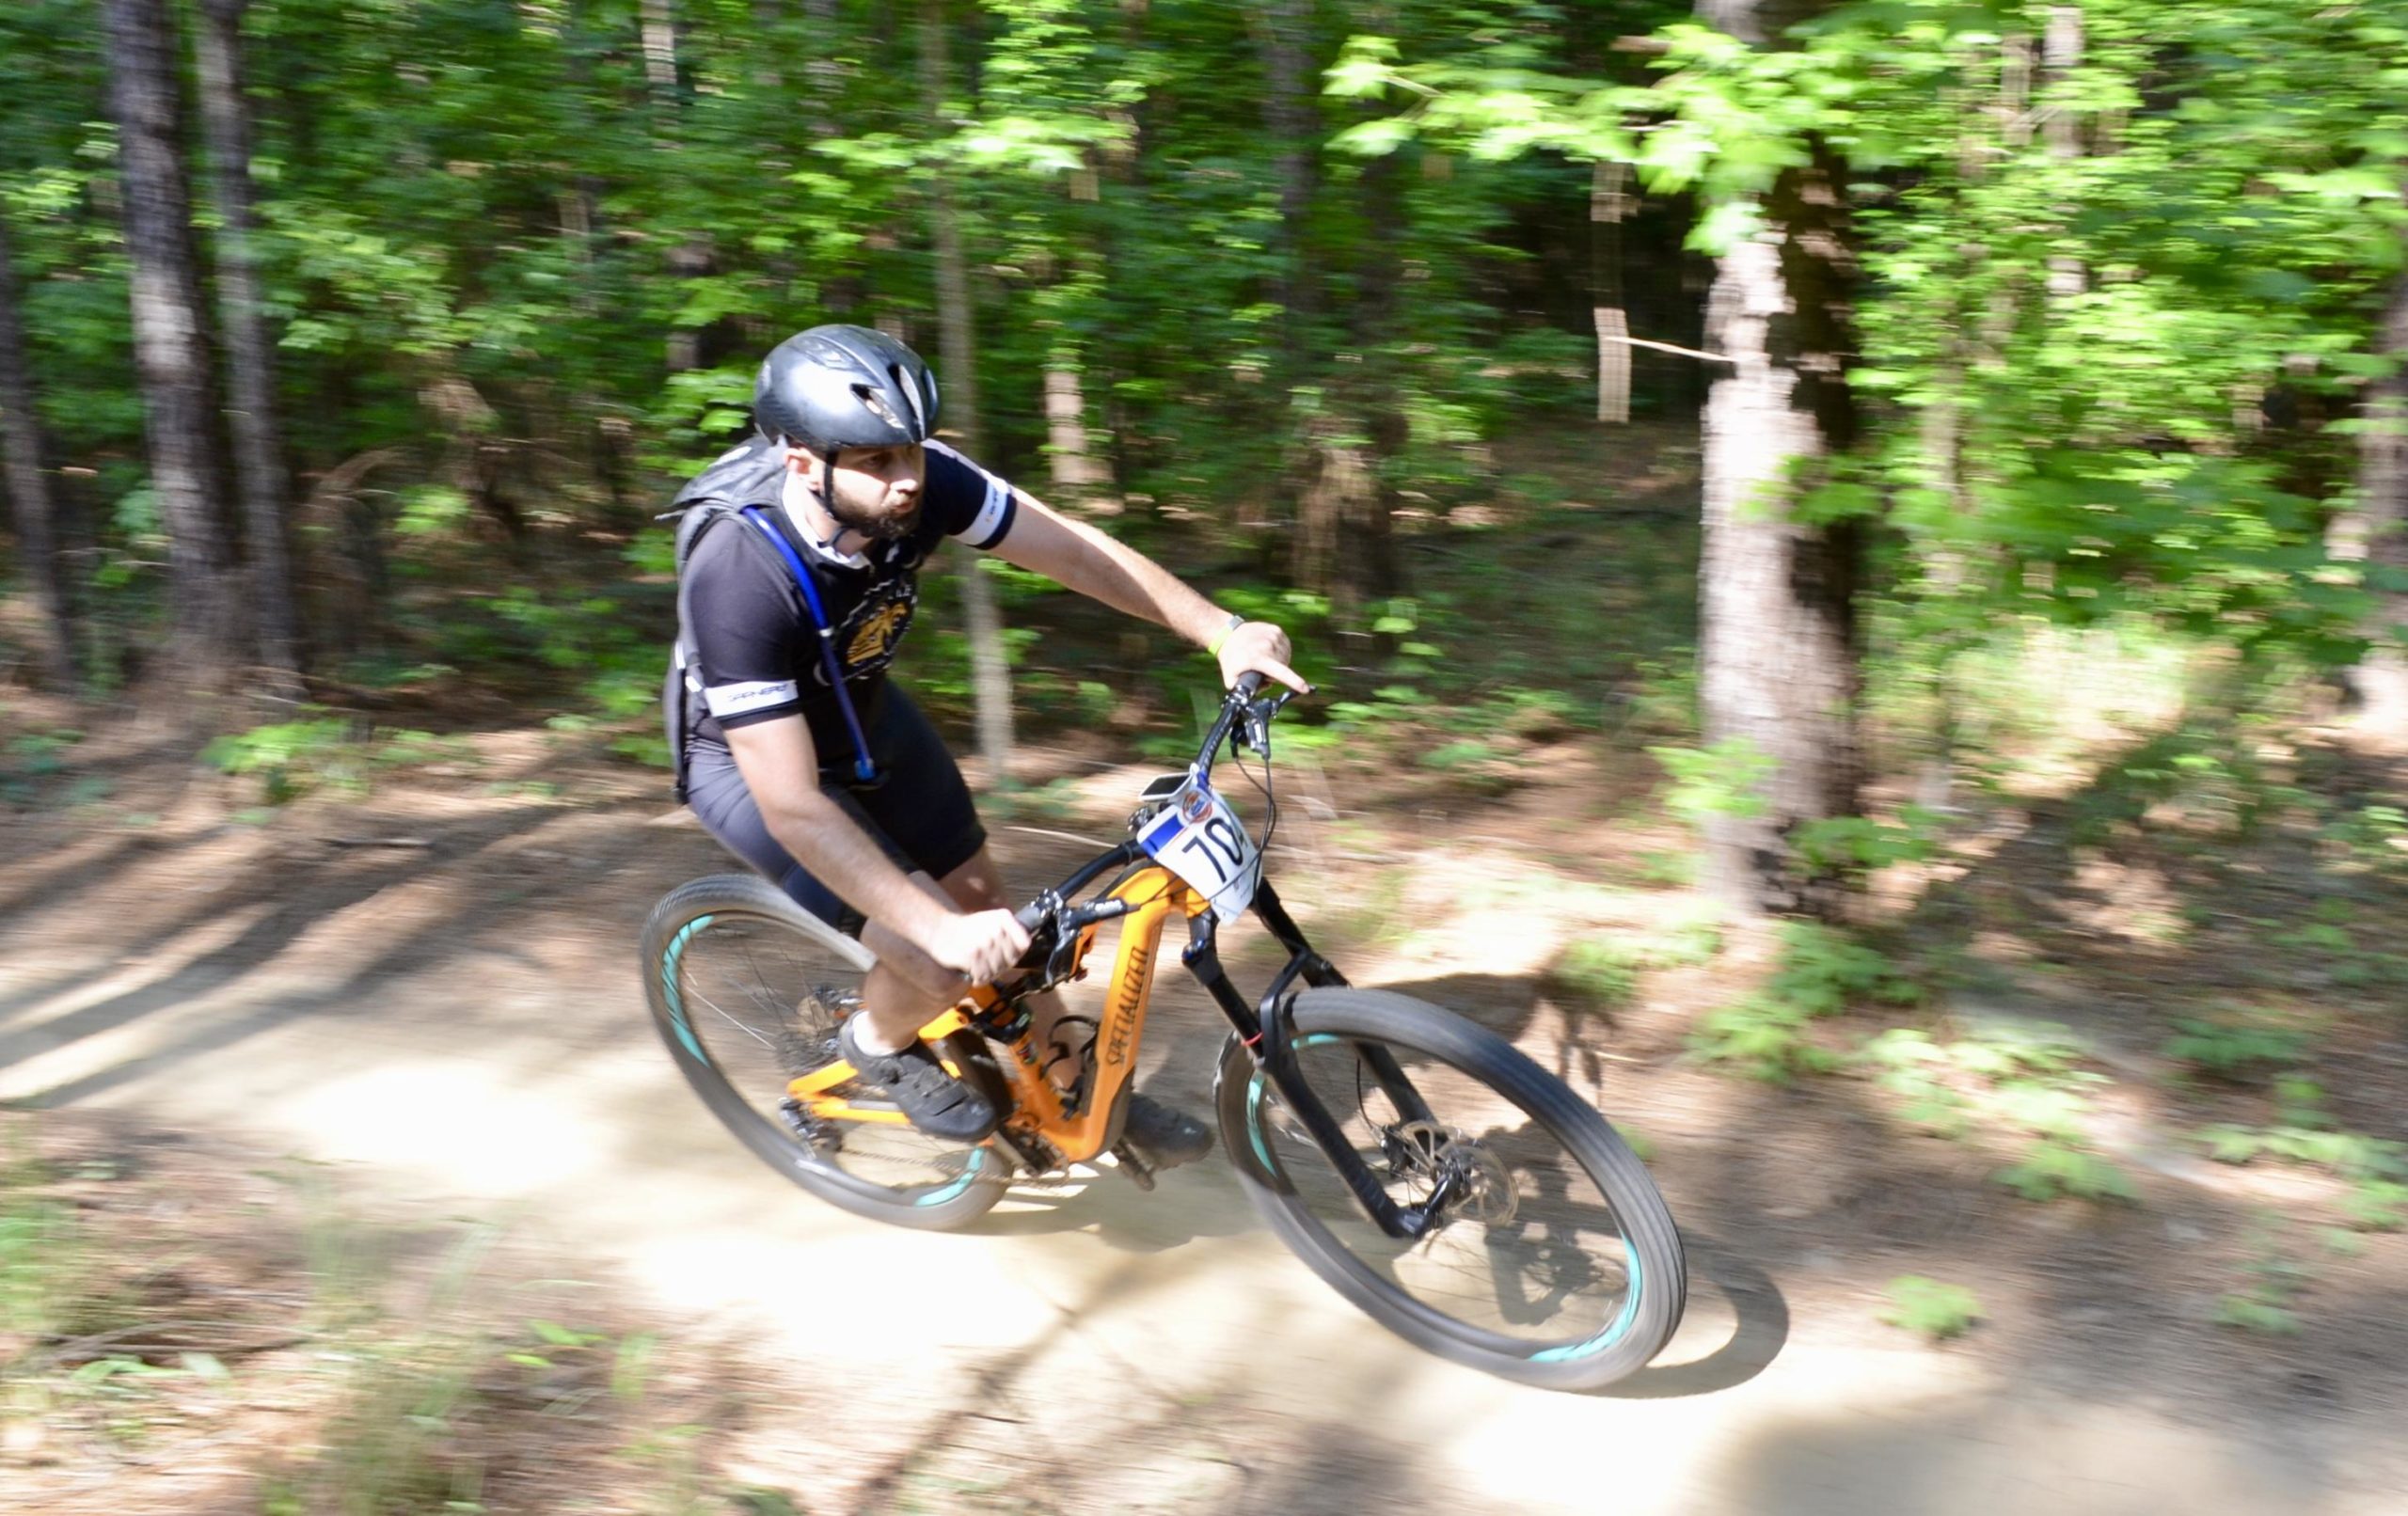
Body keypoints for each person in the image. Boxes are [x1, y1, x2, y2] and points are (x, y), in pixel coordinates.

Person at [663, 324, 1308, 1159]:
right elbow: (792, 804)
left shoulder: (924, 483)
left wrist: (1221, 631)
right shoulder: (739, 574)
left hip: (858, 709)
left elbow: (1075, 553)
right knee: (940, 956)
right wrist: (936, 933)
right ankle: (873, 1044)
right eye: (875, 461)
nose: (906, 480)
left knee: (985, 900)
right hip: (746, 763)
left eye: (912, 452)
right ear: (800, 462)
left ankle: (1073, 1084)